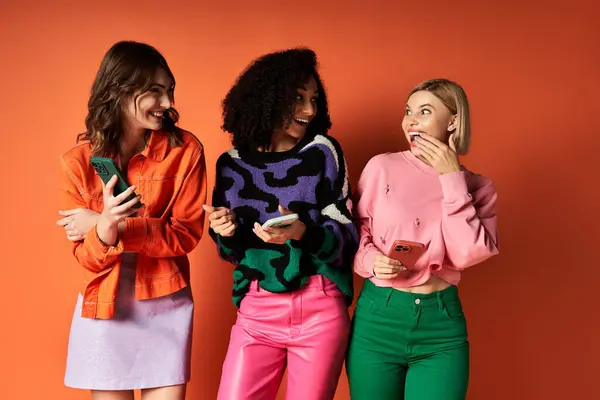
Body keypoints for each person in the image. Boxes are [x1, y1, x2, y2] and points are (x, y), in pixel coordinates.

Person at [203, 48, 357, 400]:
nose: (309, 110)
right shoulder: (232, 163)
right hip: (257, 309)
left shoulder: (323, 152)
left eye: (314, 99)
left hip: (319, 304)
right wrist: (225, 230)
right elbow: (231, 251)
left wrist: (303, 232)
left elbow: (348, 236)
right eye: (297, 99)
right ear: (267, 100)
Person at [56, 41, 207, 400]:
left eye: (170, 89)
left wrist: (109, 224)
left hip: (164, 298)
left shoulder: (185, 151)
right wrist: (105, 222)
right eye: (155, 91)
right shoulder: (76, 163)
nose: (168, 103)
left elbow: (184, 236)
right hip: (104, 304)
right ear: (119, 91)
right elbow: (88, 258)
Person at [346, 79, 500, 400]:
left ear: (453, 121)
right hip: (378, 320)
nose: (411, 121)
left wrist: (451, 178)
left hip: (440, 327)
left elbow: (467, 253)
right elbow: (354, 232)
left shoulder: (478, 187)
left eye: (425, 111)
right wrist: (371, 260)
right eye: (408, 112)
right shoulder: (382, 167)